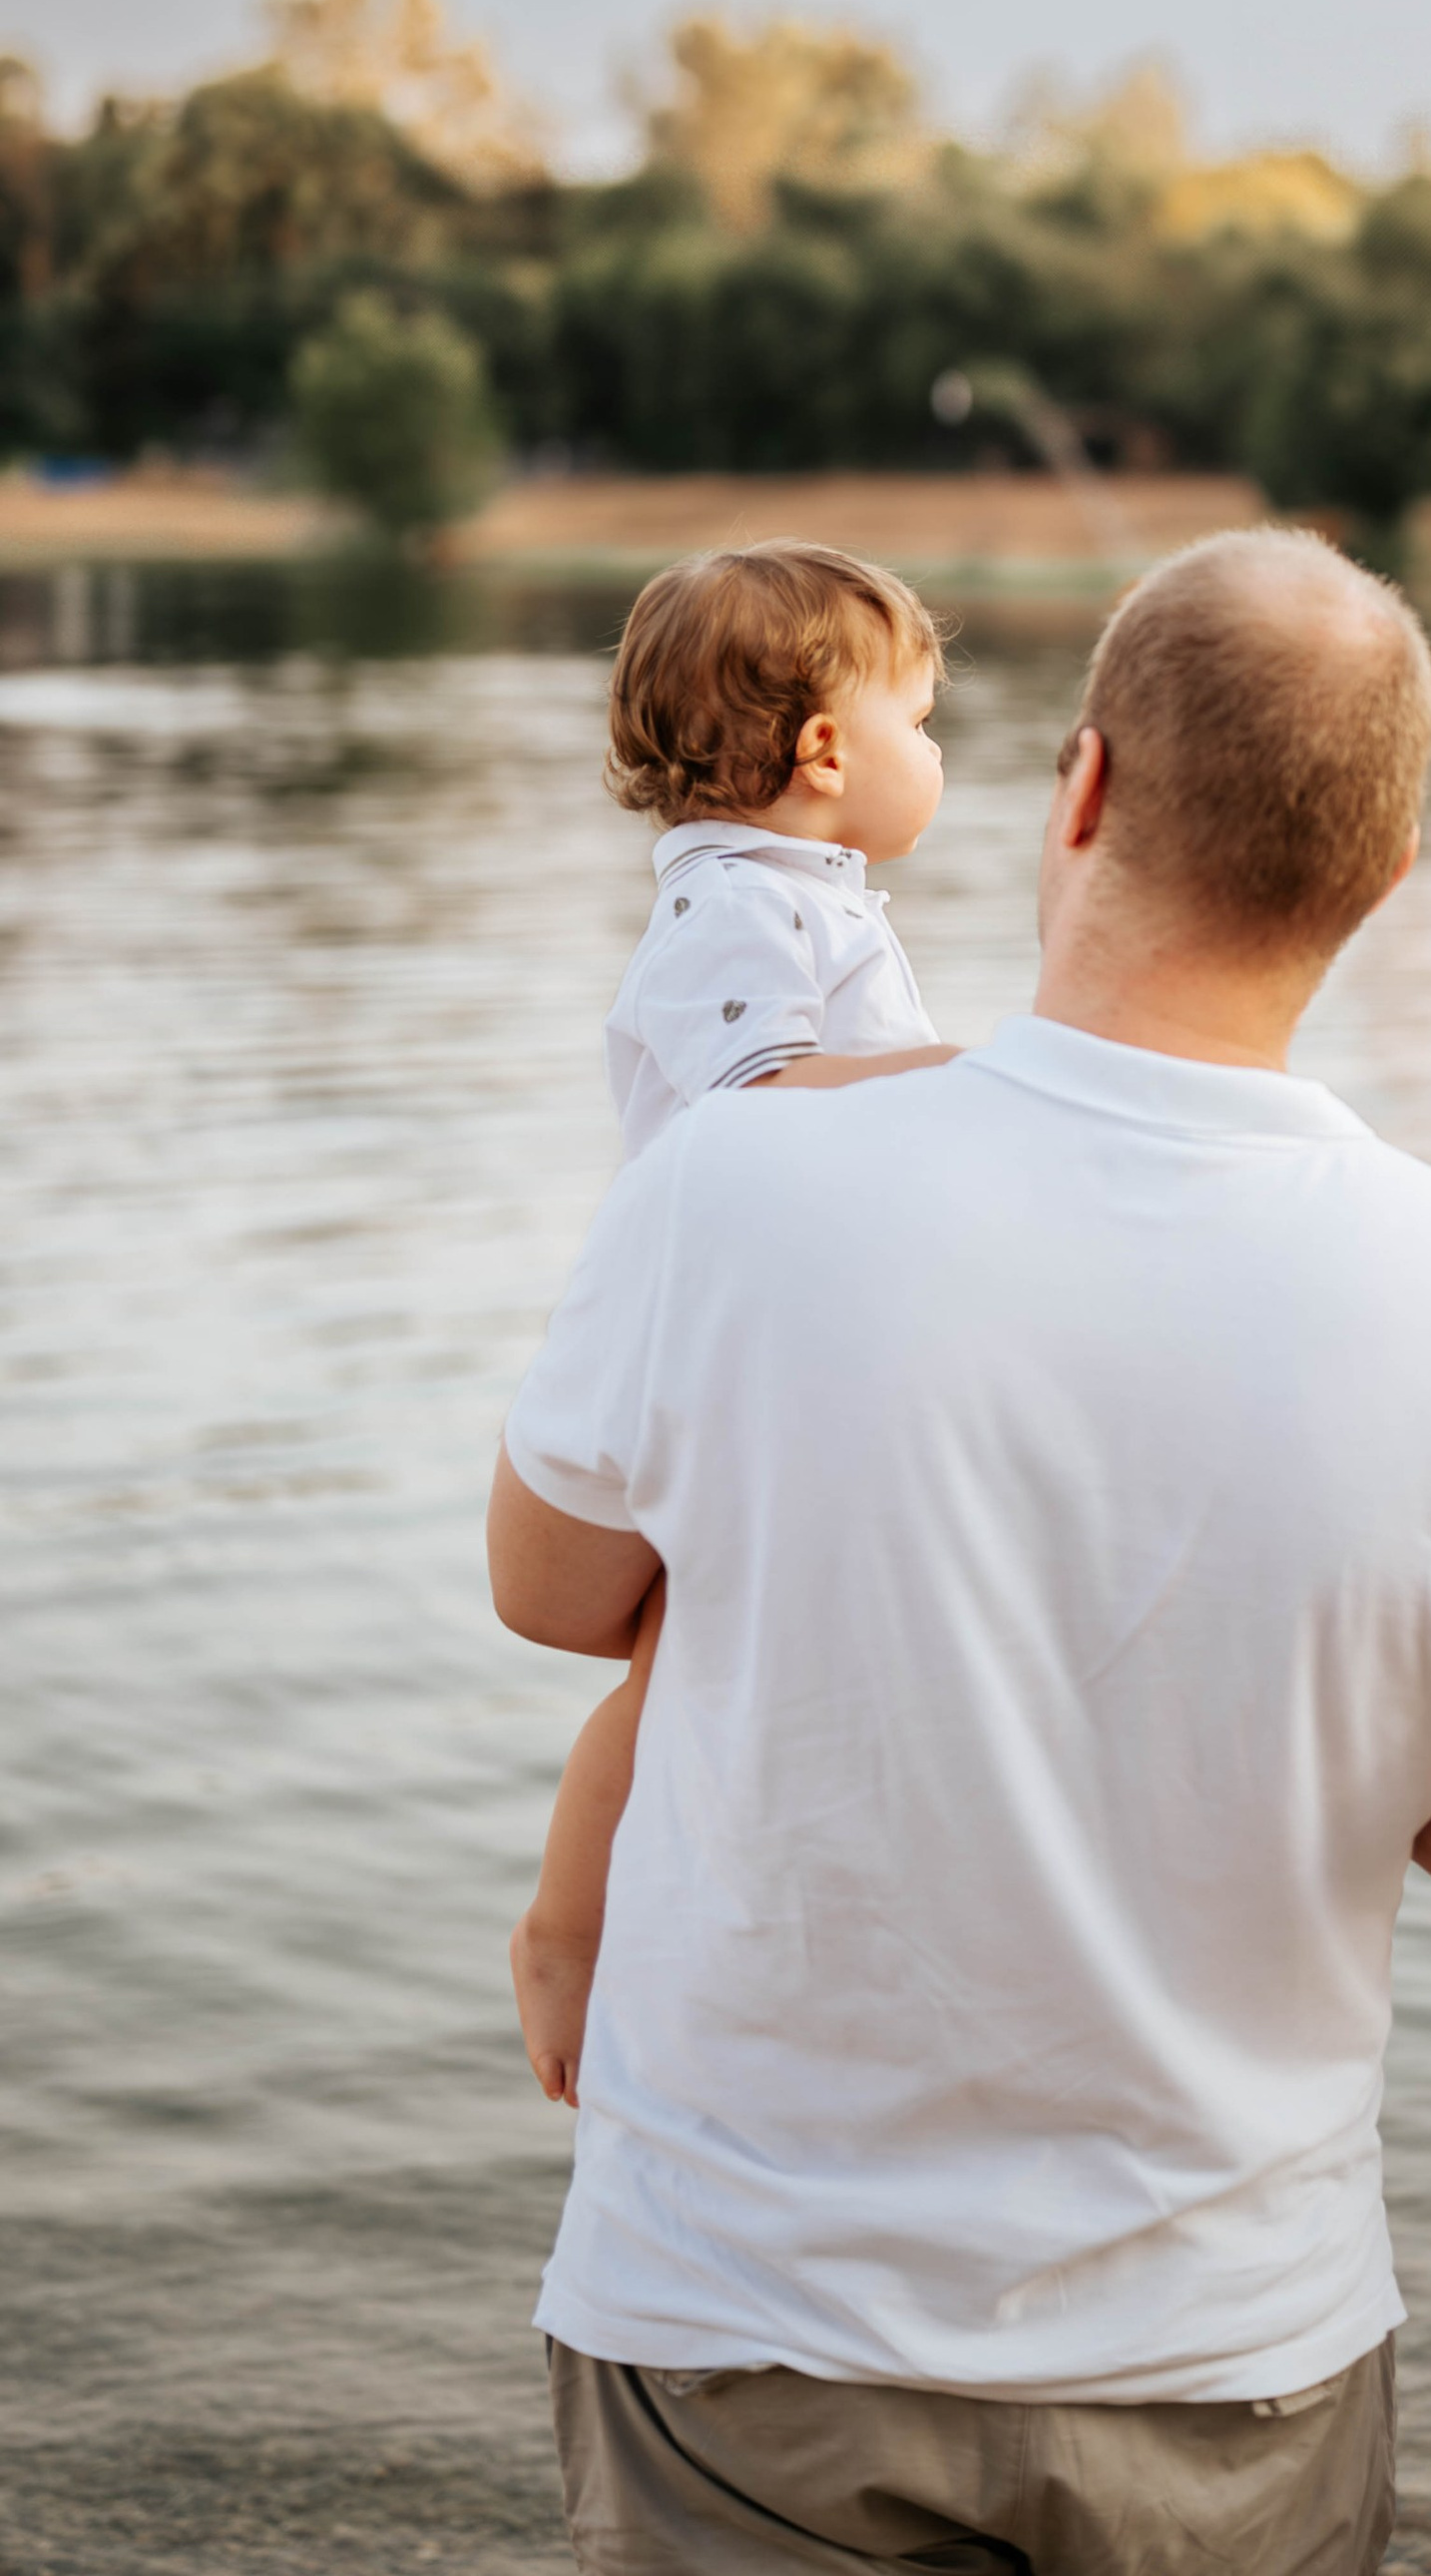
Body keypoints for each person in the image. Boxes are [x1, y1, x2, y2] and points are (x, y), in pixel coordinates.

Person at [487, 528, 1431, 2576]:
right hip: (1231, 2353)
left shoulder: (732, 1176)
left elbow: (552, 1592)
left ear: (1082, 785)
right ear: (1383, 878)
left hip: (753, 2325)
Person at [510, 541, 960, 2110]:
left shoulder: (795, 895)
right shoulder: (738, 909)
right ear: (827, 748)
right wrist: (976, 1083)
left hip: (794, 1329)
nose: (937, 756)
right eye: (922, 722)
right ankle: (568, 1928)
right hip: (731, 1343)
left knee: (701, 1653)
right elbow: (755, 1101)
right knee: (673, 1658)